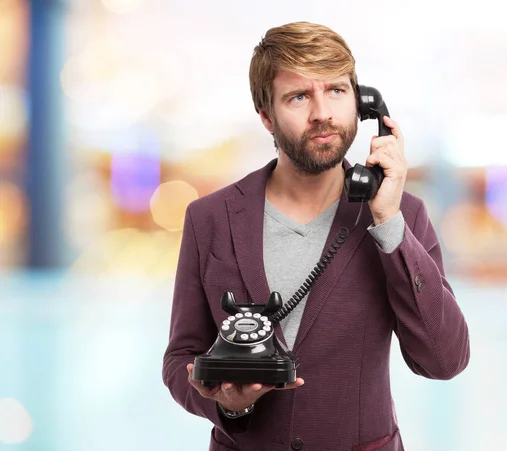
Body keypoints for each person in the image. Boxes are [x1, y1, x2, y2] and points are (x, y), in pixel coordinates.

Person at [162, 21, 470, 451]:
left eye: (337, 91)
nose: (322, 112)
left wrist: (387, 223)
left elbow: (444, 360)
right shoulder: (209, 218)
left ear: (364, 107)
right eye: (299, 96)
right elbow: (180, 357)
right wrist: (228, 404)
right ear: (267, 116)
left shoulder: (402, 216)